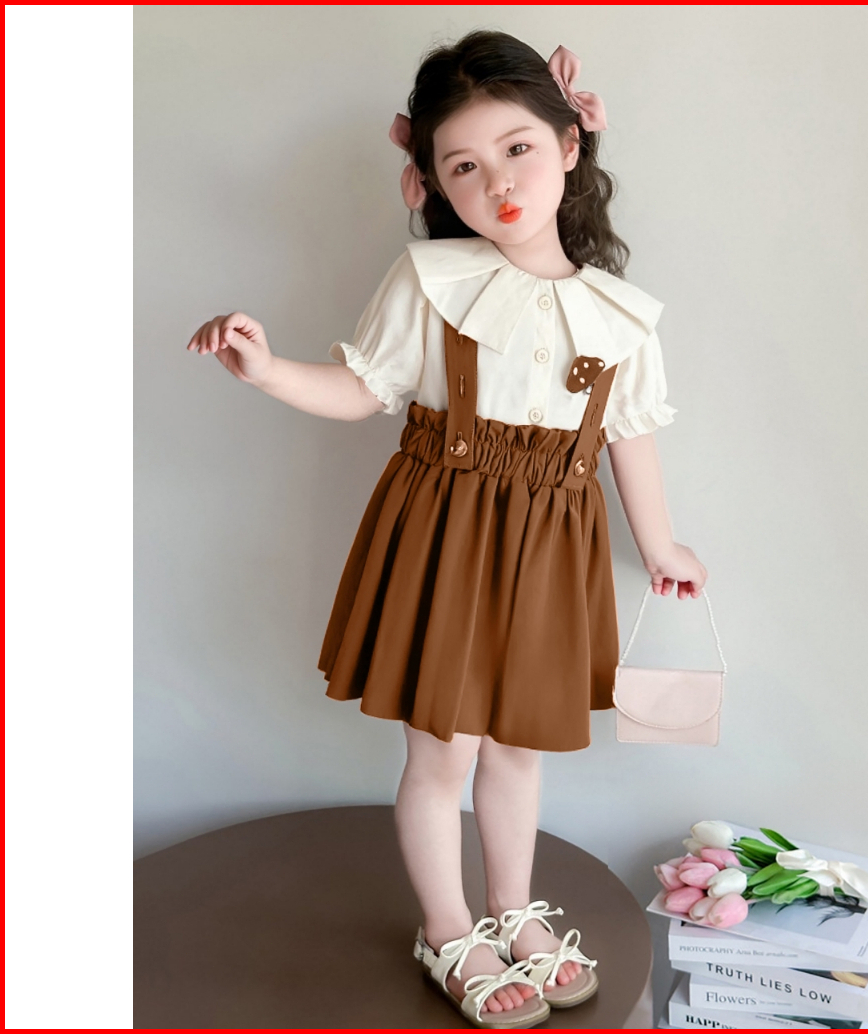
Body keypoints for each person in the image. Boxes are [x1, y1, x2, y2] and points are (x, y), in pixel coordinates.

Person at [188, 30, 708, 1030]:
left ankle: (514, 913)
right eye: (462, 166)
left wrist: (660, 543)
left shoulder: (621, 317)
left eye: (516, 148)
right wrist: (268, 369)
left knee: (517, 749)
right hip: (447, 535)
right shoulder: (431, 282)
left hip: (553, 549)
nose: (497, 182)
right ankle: (448, 927)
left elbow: (627, 434)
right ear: (429, 182)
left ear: (569, 145)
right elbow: (361, 387)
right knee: (444, 753)